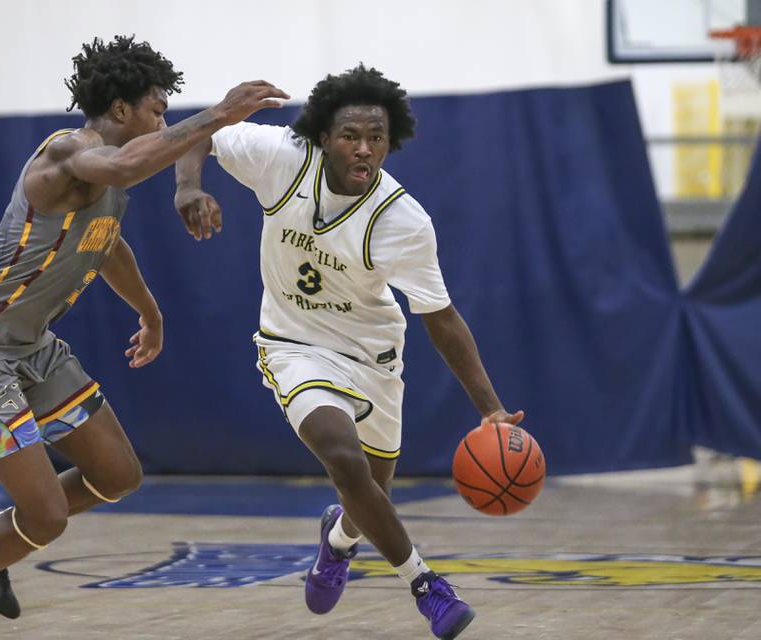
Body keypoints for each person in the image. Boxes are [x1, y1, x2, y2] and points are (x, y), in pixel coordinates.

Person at [174, 64, 524, 639]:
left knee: (368, 498)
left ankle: (337, 539)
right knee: (344, 460)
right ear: (322, 137)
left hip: (374, 356)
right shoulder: (281, 157)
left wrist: (489, 408)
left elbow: (440, 316)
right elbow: (200, 135)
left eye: (376, 139)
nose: (364, 149)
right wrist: (188, 186)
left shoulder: (404, 221)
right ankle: (427, 585)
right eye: (350, 136)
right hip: (293, 345)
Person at [0, 35, 287, 639]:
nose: (162, 119)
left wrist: (151, 313)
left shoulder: (107, 185)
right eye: (157, 109)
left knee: (117, 476)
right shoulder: (70, 153)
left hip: (33, 345)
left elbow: (106, 243)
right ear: (119, 110)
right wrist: (219, 113)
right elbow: (126, 165)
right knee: (47, 515)